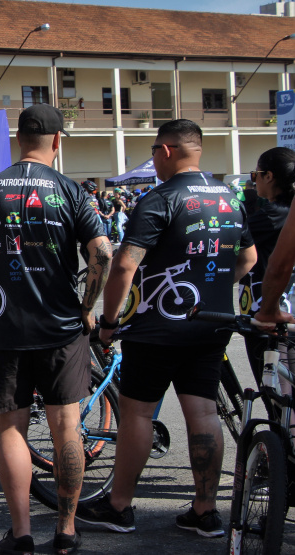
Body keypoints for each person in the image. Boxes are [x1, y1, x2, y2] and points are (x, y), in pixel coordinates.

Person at [79, 119, 257, 539]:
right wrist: (214, 289)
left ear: (166, 151)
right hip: (210, 324)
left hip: (155, 328)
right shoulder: (229, 197)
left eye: (154, 151)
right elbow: (248, 258)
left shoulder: (160, 198)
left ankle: (119, 506)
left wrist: (108, 322)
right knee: (204, 412)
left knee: (138, 413)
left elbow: (124, 264)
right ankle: (205, 511)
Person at [0, 103, 111, 554]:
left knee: (11, 428)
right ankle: (66, 531)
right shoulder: (70, 190)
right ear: (57, 141)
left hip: (3, 327)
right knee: (67, 426)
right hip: (61, 327)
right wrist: (88, 307)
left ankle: (22, 535)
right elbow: (102, 253)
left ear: (18, 140)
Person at [238, 148, 295, 397]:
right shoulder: (283, 211)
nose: (254, 180)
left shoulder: (275, 215)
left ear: (269, 176)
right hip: (277, 308)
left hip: (268, 311)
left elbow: (233, 240)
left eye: (256, 174)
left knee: (278, 395)